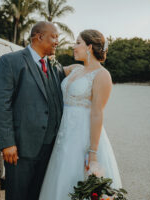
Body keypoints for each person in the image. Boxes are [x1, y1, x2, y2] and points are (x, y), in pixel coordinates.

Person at [39, 29, 122, 200]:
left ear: (89, 47)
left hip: (83, 137)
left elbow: (97, 114)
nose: (74, 47)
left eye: (78, 43)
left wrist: (92, 152)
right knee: (60, 177)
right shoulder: (75, 69)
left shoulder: (102, 75)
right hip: (64, 136)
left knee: (81, 181)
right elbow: (50, 66)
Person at [0, 21, 65, 200]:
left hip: (49, 148)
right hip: (21, 148)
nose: (57, 41)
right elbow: (1, 103)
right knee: (18, 195)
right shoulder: (11, 61)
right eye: (54, 37)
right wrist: (7, 143)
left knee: (38, 195)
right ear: (39, 37)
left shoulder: (55, 67)